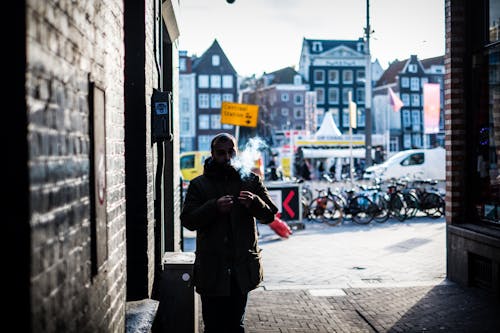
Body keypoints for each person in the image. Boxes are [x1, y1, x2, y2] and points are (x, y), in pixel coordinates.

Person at [181, 133, 278, 333]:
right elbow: (188, 221)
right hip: (212, 270)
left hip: (240, 269)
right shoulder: (199, 185)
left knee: (235, 326)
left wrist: (254, 203)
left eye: (231, 151)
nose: (227, 157)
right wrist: (214, 207)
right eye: (221, 153)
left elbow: (270, 215)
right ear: (213, 154)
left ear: (237, 151)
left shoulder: (251, 181)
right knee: (213, 326)